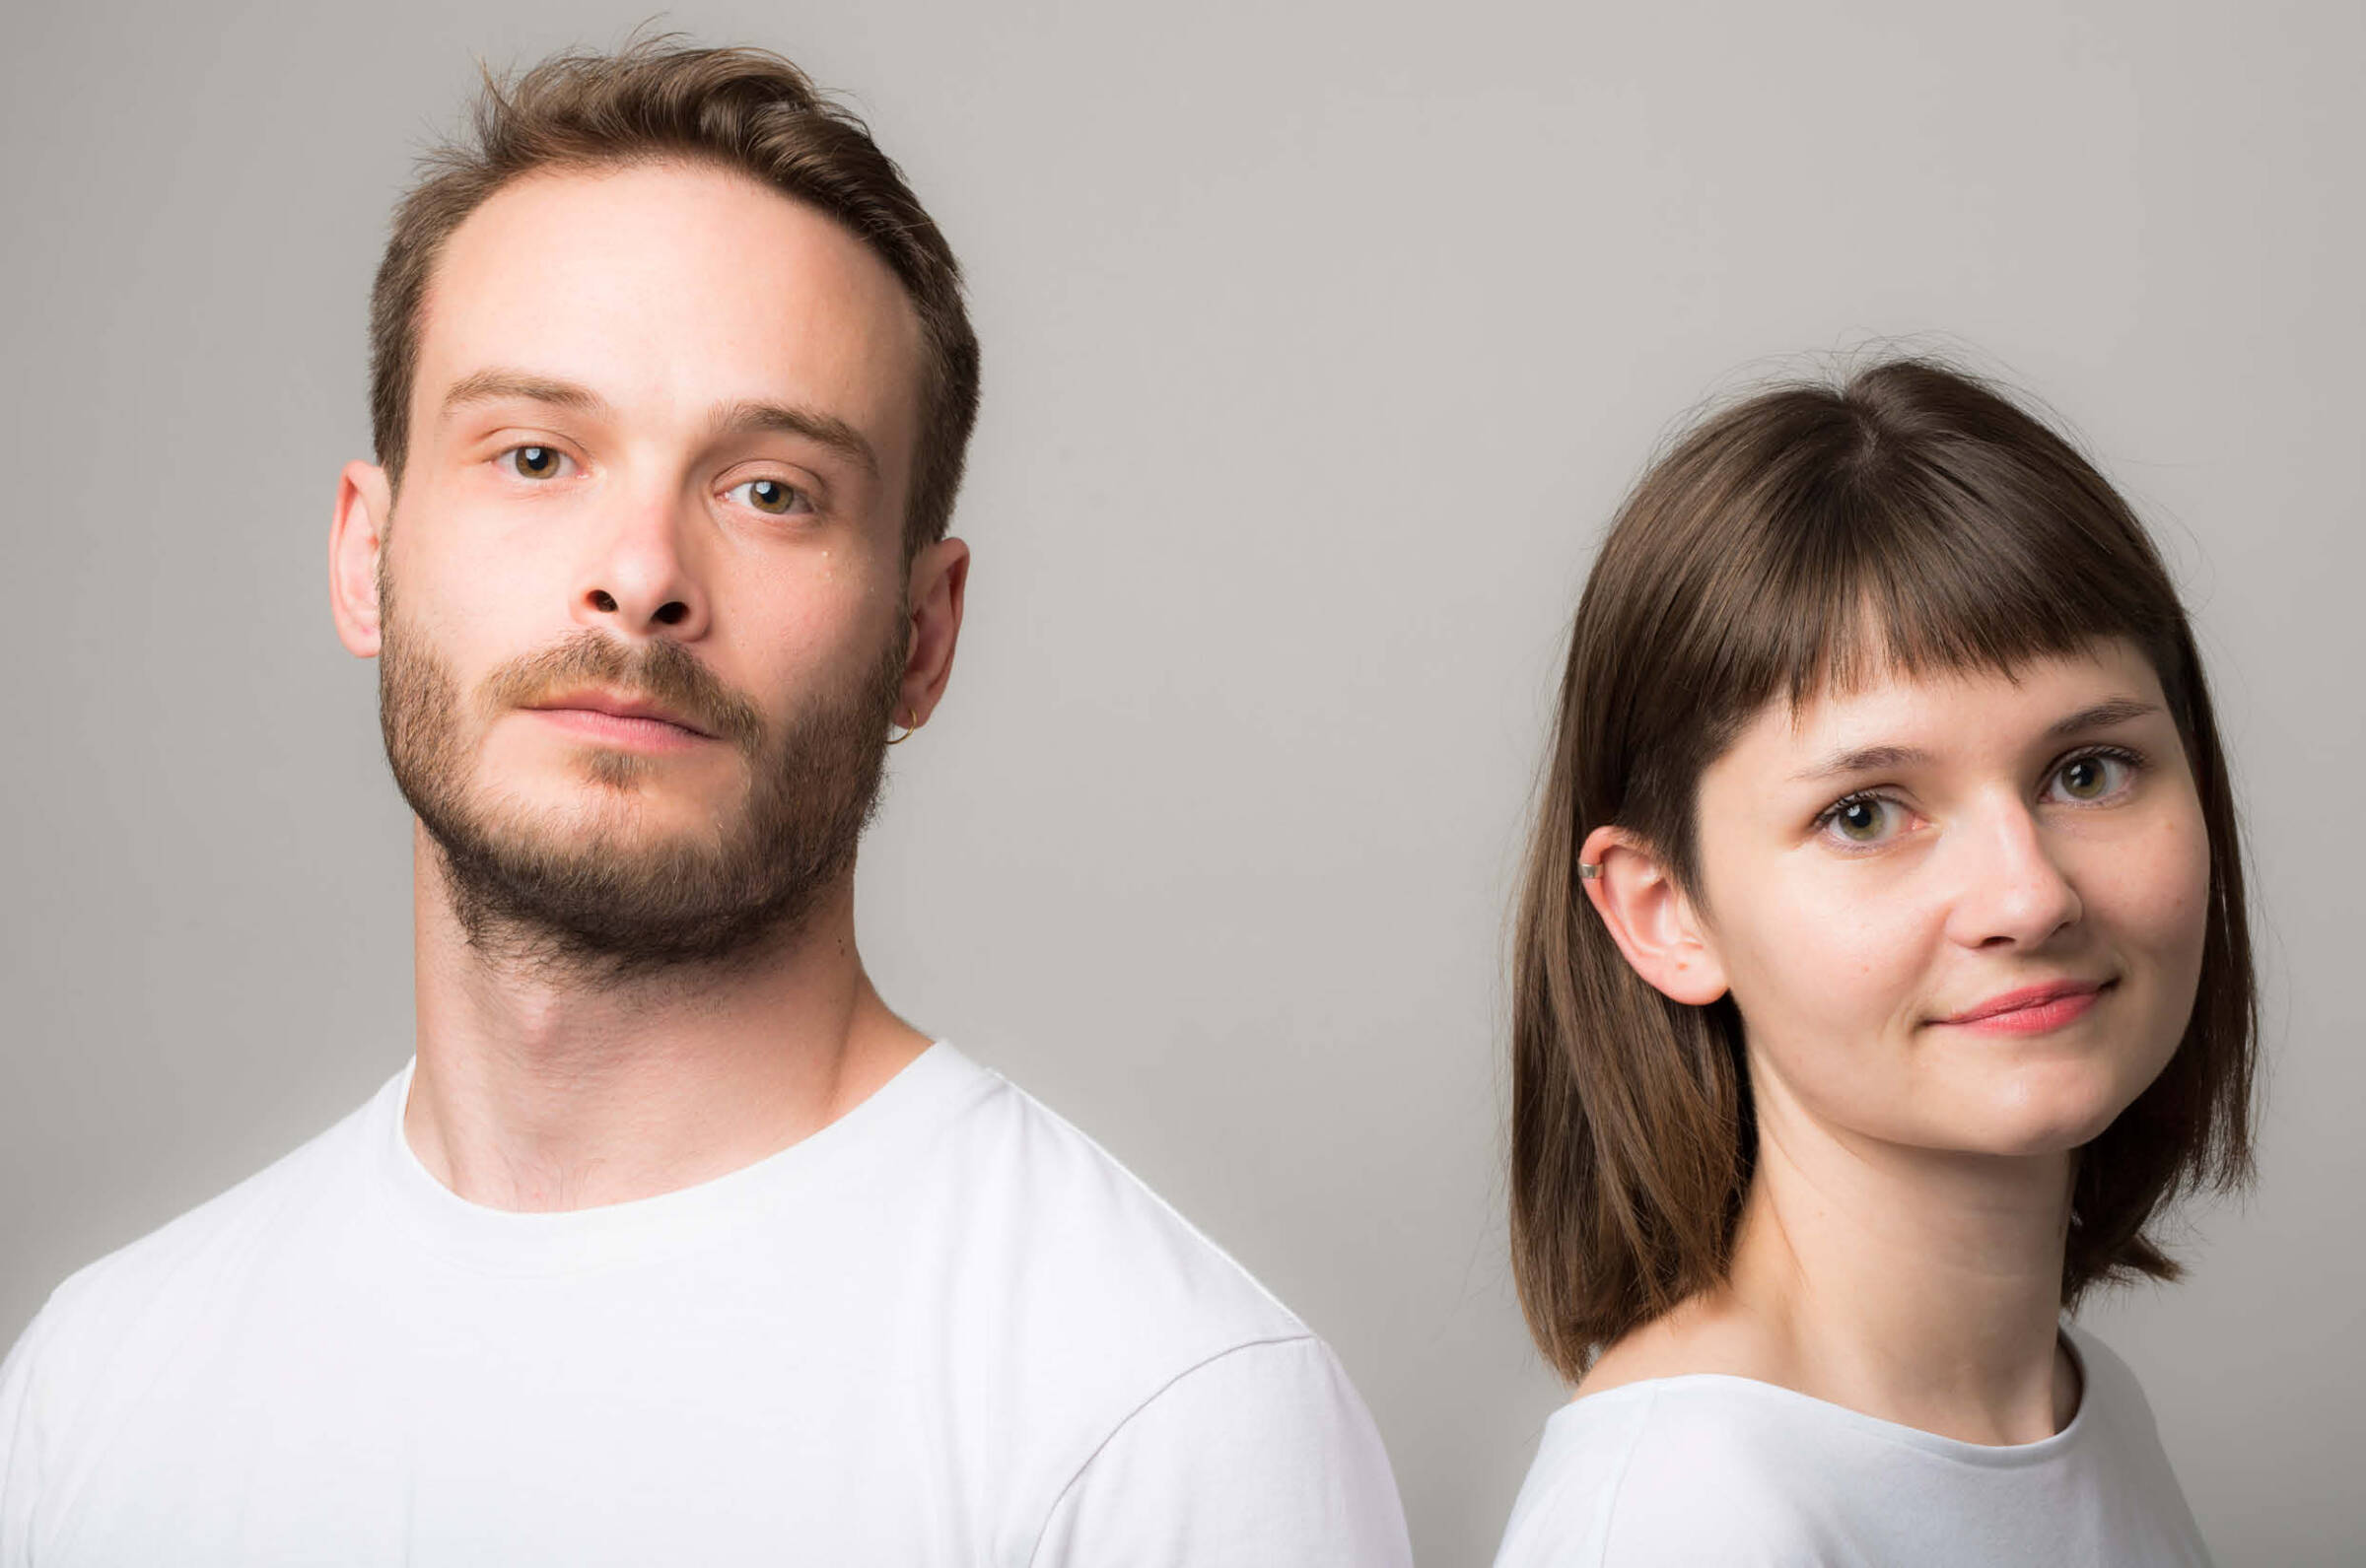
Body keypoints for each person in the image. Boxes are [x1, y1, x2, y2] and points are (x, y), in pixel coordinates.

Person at [0, 40, 1411, 1566]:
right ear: (368, 555)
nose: (643, 573)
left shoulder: (1156, 1423)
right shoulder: (94, 1393)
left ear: (921, 638)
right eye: (534, 453)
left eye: (771, 489)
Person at [1492, 358, 2253, 1565]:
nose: (2028, 895)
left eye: (2087, 770)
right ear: (1664, 911)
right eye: (1864, 812)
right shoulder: (1687, 1522)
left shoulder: (2071, 1408)